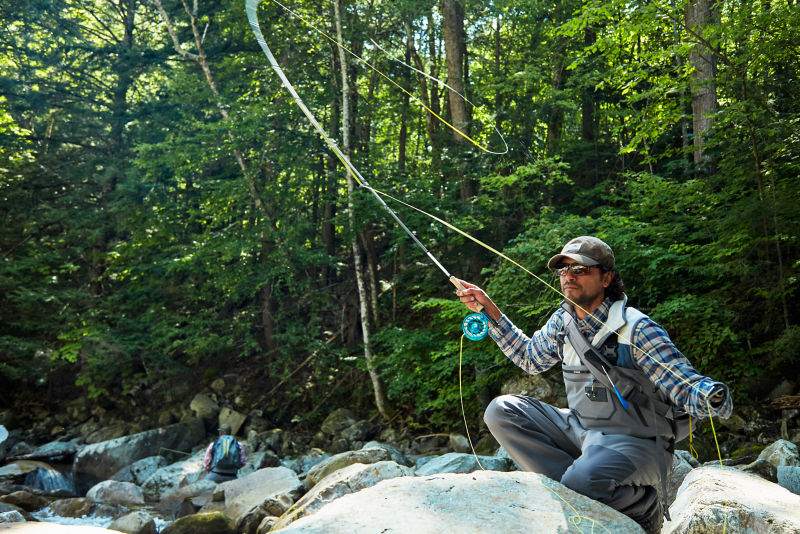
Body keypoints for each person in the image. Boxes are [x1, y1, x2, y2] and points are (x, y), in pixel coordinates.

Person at [456, 235, 732, 533]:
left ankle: (642, 505)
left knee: (581, 480)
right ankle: (576, 490)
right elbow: (529, 358)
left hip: (639, 442)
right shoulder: (562, 322)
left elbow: (681, 382)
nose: (568, 277)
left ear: (607, 278)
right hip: (582, 430)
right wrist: (488, 309)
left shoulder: (637, 328)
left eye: (580, 270)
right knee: (500, 411)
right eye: (563, 270)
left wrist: (711, 397)